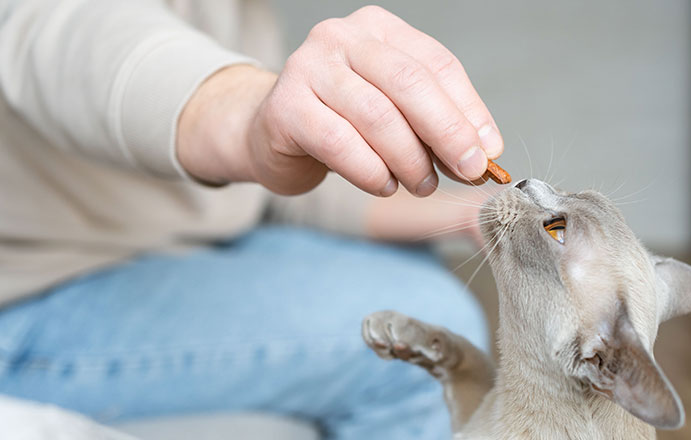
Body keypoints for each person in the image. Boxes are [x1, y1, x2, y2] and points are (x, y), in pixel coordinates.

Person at [0, 1, 503, 439]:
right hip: (31, 301)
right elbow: (85, 44)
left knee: (413, 255)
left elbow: (272, 185)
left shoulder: (243, 12)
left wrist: (465, 213)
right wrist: (253, 114)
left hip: (156, 240)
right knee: (429, 327)